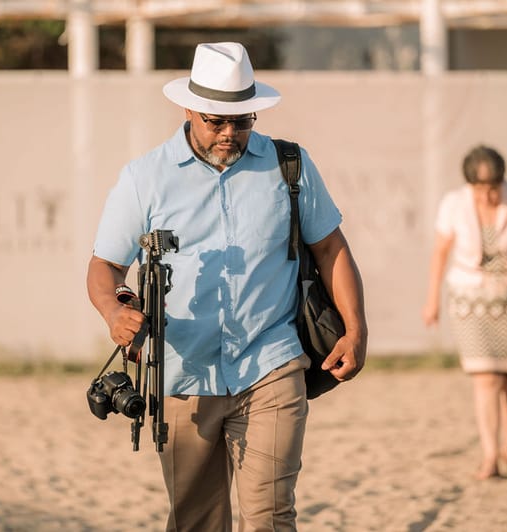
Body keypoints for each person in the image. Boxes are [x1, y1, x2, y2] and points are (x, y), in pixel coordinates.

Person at [87, 42, 367, 531]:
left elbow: (331, 249)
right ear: (188, 107)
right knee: (196, 520)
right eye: (216, 120)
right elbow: (105, 267)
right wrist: (115, 313)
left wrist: (357, 329)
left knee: (270, 516)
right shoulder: (144, 179)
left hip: (272, 362)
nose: (229, 132)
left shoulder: (290, 166)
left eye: (242, 119)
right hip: (180, 376)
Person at [421, 145, 507, 480]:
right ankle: (490, 455)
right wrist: (432, 301)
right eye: (481, 189)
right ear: (470, 184)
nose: (488, 195)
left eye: (494, 187)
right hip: (469, 301)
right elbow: (440, 252)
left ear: (503, 180)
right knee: (486, 379)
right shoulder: (454, 204)